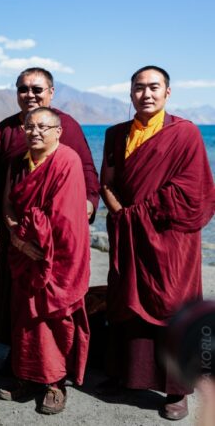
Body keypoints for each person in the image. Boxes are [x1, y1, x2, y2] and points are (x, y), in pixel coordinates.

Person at [100, 66, 215, 420]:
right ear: (130, 93)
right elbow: (107, 182)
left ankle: (175, 390)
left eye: (154, 87)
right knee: (127, 302)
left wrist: (140, 213)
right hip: (129, 235)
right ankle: (128, 376)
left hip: (171, 239)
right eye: (139, 88)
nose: (146, 94)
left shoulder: (185, 134)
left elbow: (192, 192)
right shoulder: (115, 134)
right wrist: (123, 215)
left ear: (168, 92)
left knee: (172, 308)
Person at [0, 67, 99, 350]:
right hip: (16, 231)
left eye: (37, 89)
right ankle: (19, 358)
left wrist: (89, 204)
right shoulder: (4, 130)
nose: (30, 94)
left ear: (51, 92)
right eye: (23, 89)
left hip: (58, 237)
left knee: (55, 297)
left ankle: (56, 365)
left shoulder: (66, 125)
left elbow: (85, 169)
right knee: (16, 296)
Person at [0, 107, 91, 415]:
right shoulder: (18, 163)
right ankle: (27, 376)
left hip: (57, 257)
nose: (35, 131)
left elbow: (67, 218)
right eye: (29, 126)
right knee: (25, 318)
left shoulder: (67, 161)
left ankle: (55, 383)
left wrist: (40, 246)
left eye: (43, 126)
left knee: (53, 318)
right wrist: (18, 238)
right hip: (25, 253)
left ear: (58, 132)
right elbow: (8, 204)